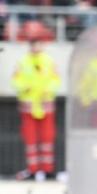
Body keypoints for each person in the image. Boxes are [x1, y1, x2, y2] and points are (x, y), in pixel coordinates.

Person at [12, 21, 61, 181]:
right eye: (33, 43)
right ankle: (32, 169)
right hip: (29, 106)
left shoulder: (48, 61)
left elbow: (55, 79)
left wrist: (48, 89)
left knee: (47, 138)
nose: (36, 46)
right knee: (30, 138)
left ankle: (48, 170)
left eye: (39, 43)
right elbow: (16, 80)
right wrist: (24, 87)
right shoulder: (23, 62)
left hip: (46, 106)